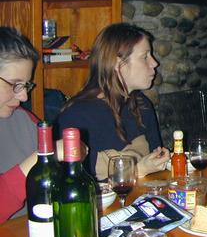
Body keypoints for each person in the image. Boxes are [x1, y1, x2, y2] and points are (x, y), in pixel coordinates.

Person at [56, 23, 170, 181]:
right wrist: (138, 170)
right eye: (145, 57)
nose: (154, 63)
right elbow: (77, 183)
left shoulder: (142, 104)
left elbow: (156, 158)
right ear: (118, 64)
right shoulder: (77, 116)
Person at [0, 27, 39, 222]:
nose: (24, 96)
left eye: (26, 85)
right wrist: (41, 159)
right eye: (15, 84)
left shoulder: (26, 120)